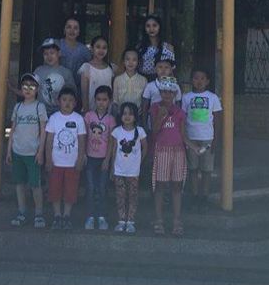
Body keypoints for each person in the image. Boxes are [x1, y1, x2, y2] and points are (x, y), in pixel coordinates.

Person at [150, 77, 198, 237]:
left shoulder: (180, 112)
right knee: (160, 185)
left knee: (177, 186)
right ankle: (158, 219)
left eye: (170, 92)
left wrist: (194, 147)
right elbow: (154, 131)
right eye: (164, 91)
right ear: (160, 92)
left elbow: (183, 135)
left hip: (178, 151)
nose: (167, 95)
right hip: (162, 150)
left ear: (175, 94)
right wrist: (160, 116)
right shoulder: (155, 108)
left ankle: (177, 220)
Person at [5, 73, 48, 229]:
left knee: (35, 185)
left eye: (32, 86)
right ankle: (21, 212)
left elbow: (43, 131)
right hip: (18, 151)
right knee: (20, 183)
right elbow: (13, 129)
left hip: (33, 152)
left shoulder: (39, 107)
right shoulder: (18, 107)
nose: (28, 89)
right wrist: (8, 150)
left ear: (37, 89)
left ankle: (39, 214)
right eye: (25, 86)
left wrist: (41, 152)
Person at [45, 86, 86, 230]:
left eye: (70, 100)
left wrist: (80, 159)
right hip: (56, 161)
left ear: (75, 103)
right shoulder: (54, 118)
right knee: (55, 189)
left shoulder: (78, 119)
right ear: (59, 101)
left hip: (72, 163)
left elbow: (82, 141)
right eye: (64, 100)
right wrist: (48, 160)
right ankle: (57, 215)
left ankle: (66, 215)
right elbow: (49, 140)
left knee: (70, 190)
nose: (67, 103)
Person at [182, 69, 222, 211]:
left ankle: (204, 197)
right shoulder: (186, 97)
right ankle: (194, 196)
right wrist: (185, 139)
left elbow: (217, 119)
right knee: (192, 169)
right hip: (191, 139)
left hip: (207, 139)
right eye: (196, 78)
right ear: (191, 80)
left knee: (206, 170)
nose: (199, 81)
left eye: (202, 78)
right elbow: (182, 119)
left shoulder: (213, 98)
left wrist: (216, 140)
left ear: (207, 81)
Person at [110, 102, 147, 234]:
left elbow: (145, 148)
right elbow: (113, 150)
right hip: (119, 170)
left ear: (135, 116)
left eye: (130, 114)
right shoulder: (116, 131)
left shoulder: (140, 131)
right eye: (124, 113)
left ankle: (130, 221)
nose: (127, 116)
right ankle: (121, 220)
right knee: (120, 196)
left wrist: (139, 162)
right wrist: (112, 168)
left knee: (132, 196)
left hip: (133, 172)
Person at [83, 85, 116, 230]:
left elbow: (111, 141)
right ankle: (90, 216)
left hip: (103, 159)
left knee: (102, 188)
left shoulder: (110, 119)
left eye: (104, 100)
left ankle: (102, 216)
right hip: (90, 158)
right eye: (98, 99)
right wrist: (83, 154)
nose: (101, 102)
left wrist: (108, 159)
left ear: (109, 101)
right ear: (94, 100)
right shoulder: (88, 116)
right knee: (90, 187)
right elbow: (84, 136)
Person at [34, 38, 76, 116]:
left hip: (61, 114)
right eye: (45, 54)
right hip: (41, 113)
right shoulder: (38, 71)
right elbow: (32, 91)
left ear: (59, 53)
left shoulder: (66, 73)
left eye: (52, 53)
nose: (49, 56)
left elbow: (72, 94)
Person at [140, 57, 182, 131]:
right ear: (155, 69)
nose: (163, 70)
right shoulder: (150, 86)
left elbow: (178, 105)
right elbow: (145, 107)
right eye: (160, 67)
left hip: (171, 123)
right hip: (153, 122)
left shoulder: (176, 86)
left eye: (166, 67)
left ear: (171, 70)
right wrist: (144, 125)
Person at [78, 36, 116, 113]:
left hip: (107, 113)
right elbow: (84, 94)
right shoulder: (86, 67)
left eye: (104, 48)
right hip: (91, 111)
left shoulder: (111, 68)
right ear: (92, 49)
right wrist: (87, 113)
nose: (101, 50)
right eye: (98, 47)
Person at [137, 14, 175, 81]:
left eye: (154, 25)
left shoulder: (168, 48)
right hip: (141, 81)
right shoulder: (140, 47)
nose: (151, 29)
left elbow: (171, 71)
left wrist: (169, 85)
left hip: (160, 81)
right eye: (148, 26)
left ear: (159, 27)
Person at [112, 48, 147, 117]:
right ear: (123, 61)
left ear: (138, 62)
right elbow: (115, 101)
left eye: (134, 60)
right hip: (121, 116)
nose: (130, 62)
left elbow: (144, 102)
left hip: (137, 116)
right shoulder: (117, 80)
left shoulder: (143, 80)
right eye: (128, 59)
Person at [58, 16, 92, 81]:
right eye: (69, 27)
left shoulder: (84, 49)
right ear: (64, 30)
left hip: (78, 86)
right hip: (59, 84)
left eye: (75, 28)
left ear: (79, 32)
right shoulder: (57, 45)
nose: (72, 30)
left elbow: (91, 66)